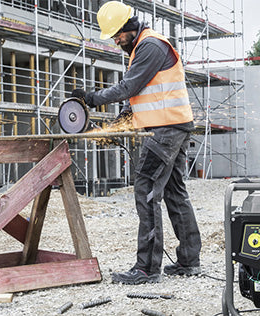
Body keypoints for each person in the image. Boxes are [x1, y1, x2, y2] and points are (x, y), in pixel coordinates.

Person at [70, 1, 202, 285]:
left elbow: (129, 86)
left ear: (129, 27)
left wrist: (91, 98)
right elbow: (140, 94)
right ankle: (189, 261)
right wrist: (119, 122)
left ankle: (147, 268)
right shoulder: (143, 47)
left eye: (117, 35)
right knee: (175, 192)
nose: (116, 41)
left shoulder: (150, 46)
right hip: (173, 125)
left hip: (166, 128)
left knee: (146, 187)